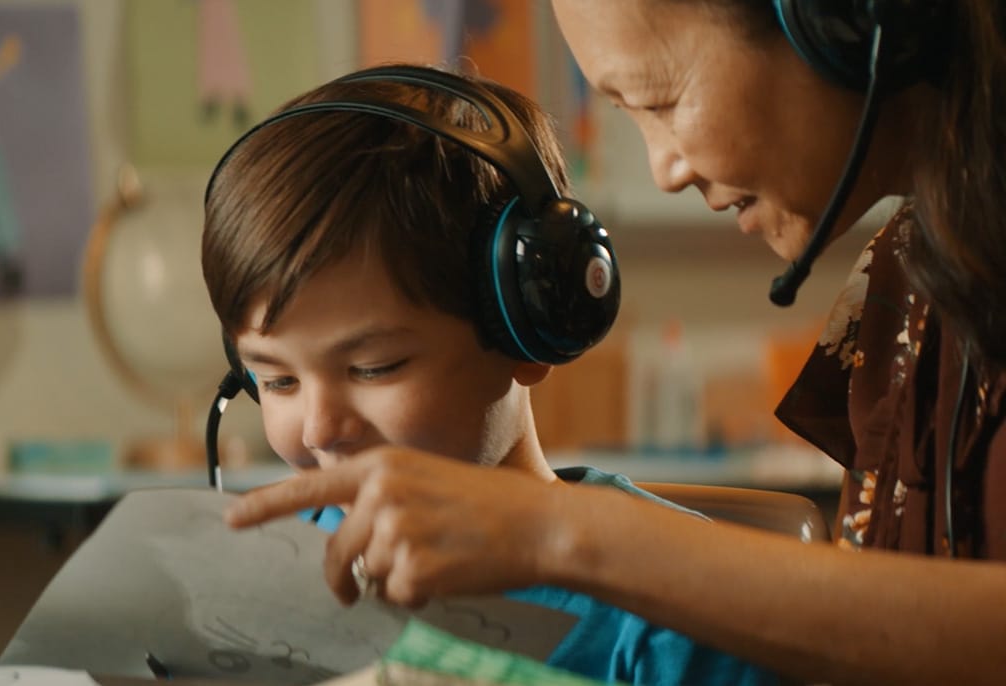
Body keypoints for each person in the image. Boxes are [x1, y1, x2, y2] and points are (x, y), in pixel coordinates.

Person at [222, 2, 1006, 684]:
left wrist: (561, 537)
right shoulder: (911, 289)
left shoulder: (648, 628)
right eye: (277, 379)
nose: (662, 167)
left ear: (835, 16)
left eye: (660, 98)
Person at [202, 63, 779, 685]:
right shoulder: (270, 579)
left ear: (528, 329)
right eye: (278, 381)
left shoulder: (677, 605)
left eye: (374, 368)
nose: (318, 429)